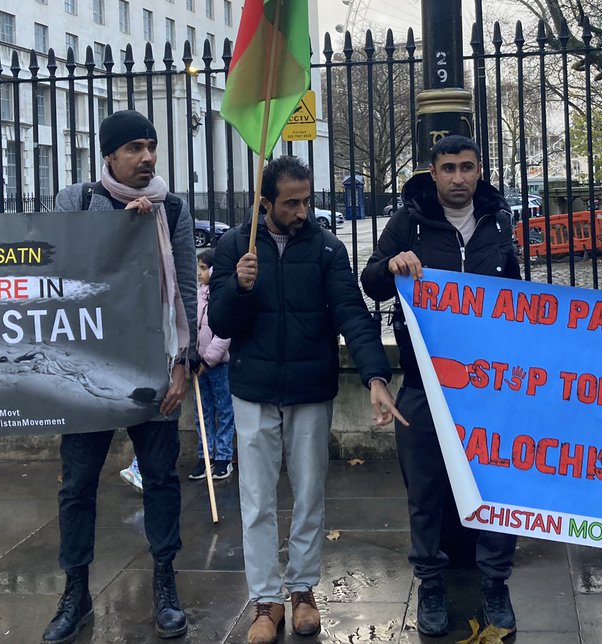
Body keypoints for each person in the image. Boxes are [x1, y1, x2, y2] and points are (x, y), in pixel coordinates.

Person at [209, 155, 403, 644]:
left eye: (307, 200)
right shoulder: (235, 245)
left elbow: (352, 315)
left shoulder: (327, 248)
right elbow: (220, 325)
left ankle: (301, 591)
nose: (302, 211)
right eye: (291, 203)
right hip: (253, 390)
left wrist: (376, 377)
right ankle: (266, 601)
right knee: (254, 501)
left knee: (310, 493)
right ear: (265, 202)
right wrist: (238, 286)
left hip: (311, 391)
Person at [43, 110, 198, 644]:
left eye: (151, 146)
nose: (147, 157)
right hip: (87, 371)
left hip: (151, 365)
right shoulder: (78, 201)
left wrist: (184, 362)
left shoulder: (170, 207)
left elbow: (184, 286)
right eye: (133, 148)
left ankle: (164, 583)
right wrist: (117, 232)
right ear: (108, 154)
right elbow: (60, 267)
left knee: (160, 480)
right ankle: (76, 591)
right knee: (77, 485)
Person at [361, 135, 521, 638]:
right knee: (425, 489)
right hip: (425, 381)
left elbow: (518, 296)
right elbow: (370, 281)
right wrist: (392, 264)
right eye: (448, 168)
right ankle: (430, 581)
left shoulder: (499, 221)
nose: (458, 177)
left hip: (489, 384)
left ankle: (495, 583)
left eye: (467, 167)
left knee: (496, 485)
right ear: (433, 173)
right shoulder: (409, 221)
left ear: (479, 171)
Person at [187, 248, 234, 482]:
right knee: (202, 412)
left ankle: (224, 456)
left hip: (218, 365)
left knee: (224, 410)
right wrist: (192, 357)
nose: (198, 272)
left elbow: (225, 333)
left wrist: (209, 359)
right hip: (198, 366)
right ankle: (206, 455)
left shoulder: (222, 296)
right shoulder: (197, 295)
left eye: (203, 268)